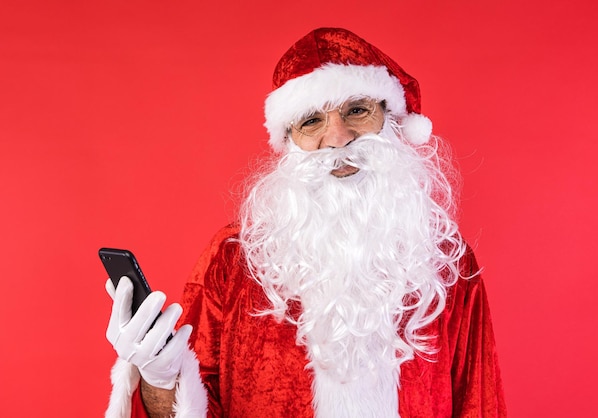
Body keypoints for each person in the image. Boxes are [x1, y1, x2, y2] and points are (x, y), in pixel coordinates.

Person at [104, 27, 506, 418]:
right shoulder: (233, 260)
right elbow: (190, 408)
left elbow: (480, 404)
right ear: (290, 141)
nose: (338, 137)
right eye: (312, 121)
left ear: (391, 119)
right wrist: (161, 379)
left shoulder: (446, 263)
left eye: (357, 110)